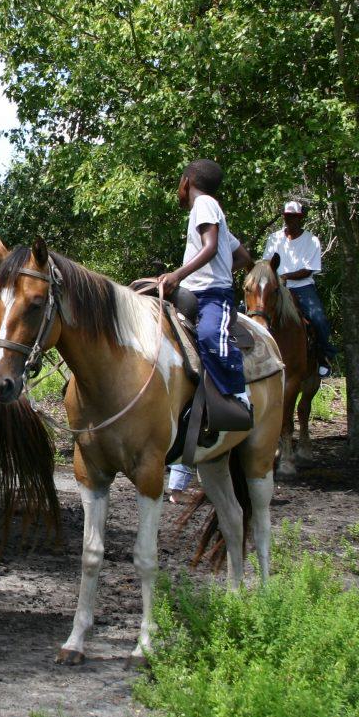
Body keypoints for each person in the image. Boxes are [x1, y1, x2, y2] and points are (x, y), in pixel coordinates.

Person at [158, 159, 253, 503]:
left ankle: (239, 398)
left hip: (213, 294)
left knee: (212, 337)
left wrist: (178, 275)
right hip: (195, 293)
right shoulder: (209, 209)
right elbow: (241, 255)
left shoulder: (205, 204)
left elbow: (212, 247)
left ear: (187, 181)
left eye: (179, 182)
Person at [263, 200, 336, 377]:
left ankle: (325, 356)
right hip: (277, 287)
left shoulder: (311, 240)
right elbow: (267, 263)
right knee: (251, 310)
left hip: (302, 287)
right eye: (288, 217)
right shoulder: (274, 238)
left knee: (318, 318)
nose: (291, 220)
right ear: (284, 217)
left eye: (294, 217)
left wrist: (286, 277)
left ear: (301, 217)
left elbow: (308, 269)